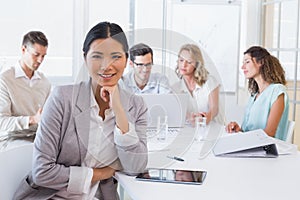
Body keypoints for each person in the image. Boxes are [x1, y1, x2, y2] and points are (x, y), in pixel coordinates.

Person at [13, 22, 148, 200]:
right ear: (85, 59)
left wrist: (119, 111)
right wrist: (104, 172)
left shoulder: (136, 106)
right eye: (97, 56)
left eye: (115, 56)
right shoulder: (62, 98)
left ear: (126, 60)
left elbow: (136, 167)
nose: (106, 66)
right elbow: (42, 172)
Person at [226, 46, 289, 141]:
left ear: (261, 62)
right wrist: (239, 130)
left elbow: (269, 133)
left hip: (267, 149)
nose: (243, 67)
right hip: (251, 145)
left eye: (247, 62)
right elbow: (248, 131)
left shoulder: (277, 91)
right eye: (243, 63)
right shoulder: (254, 96)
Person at [0, 31, 51, 133]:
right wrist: (32, 120)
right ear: (23, 50)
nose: (40, 60)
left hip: (37, 138)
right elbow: (1, 123)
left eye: (43, 56)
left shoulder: (45, 83)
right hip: (12, 140)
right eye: (36, 55)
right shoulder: (5, 80)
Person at [171, 44, 221, 125]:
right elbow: (180, 114)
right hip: (189, 131)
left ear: (197, 64)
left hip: (212, 127)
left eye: (189, 62)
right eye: (181, 60)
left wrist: (206, 118)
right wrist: (190, 118)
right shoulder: (175, 89)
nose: (184, 65)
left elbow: (214, 109)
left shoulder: (209, 81)